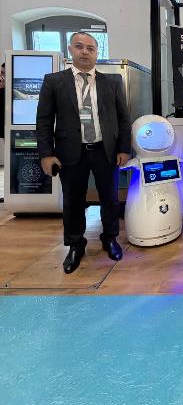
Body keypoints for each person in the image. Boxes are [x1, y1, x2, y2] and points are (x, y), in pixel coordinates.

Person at [37, 32, 131, 274]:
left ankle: (110, 238)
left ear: (97, 53)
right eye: (79, 46)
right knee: (73, 200)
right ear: (71, 50)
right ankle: (75, 244)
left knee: (110, 198)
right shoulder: (54, 81)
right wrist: (46, 154)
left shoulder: (112, 82)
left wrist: (124, 148)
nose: (85, 52)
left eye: (90, 48)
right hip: (70, 152)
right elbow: (44, 120)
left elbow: (123, 118)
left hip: (104, 150)